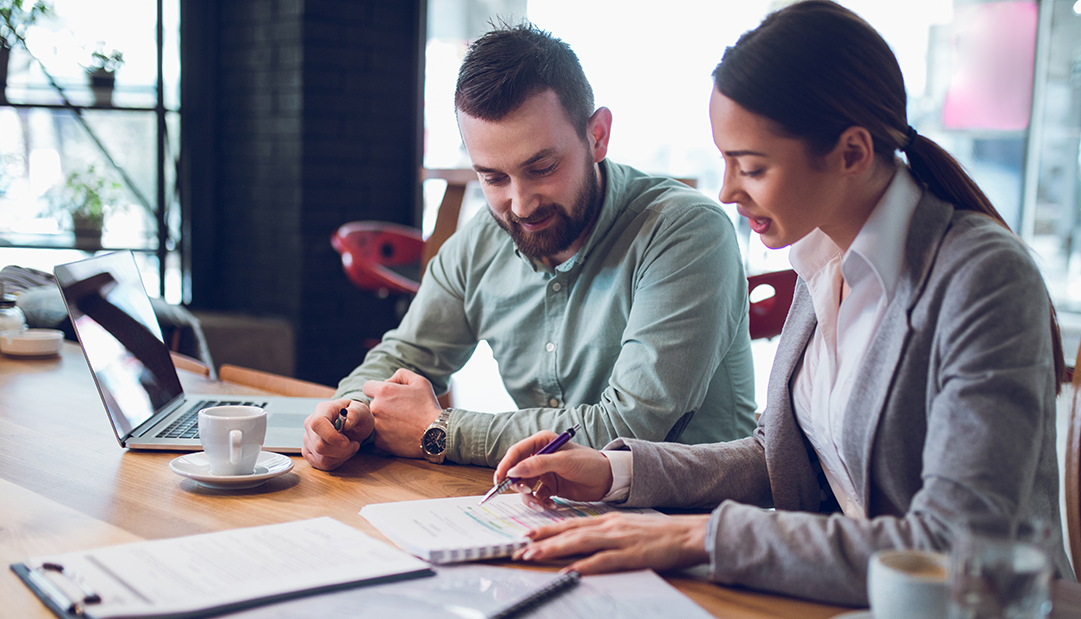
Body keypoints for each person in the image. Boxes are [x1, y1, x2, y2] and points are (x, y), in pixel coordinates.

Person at [494, 1, 1075, 606]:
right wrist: (616, 472)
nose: (726, 191)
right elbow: (784, 456)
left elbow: (955, 547)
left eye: (751, 166)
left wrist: (700, 536)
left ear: (851, 154)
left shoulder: (981, 278)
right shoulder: (821, 255)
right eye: (725, 161)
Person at [302, 22, 757, 470]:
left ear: (597, 136)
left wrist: (440, 430)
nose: (519, 205)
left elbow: (630, 429)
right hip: (544, 511)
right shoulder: (482, 241)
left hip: (689, 523)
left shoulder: (685, 231)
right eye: (493, 177)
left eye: (541, 168)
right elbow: (402, 355)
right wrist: (347, 413)